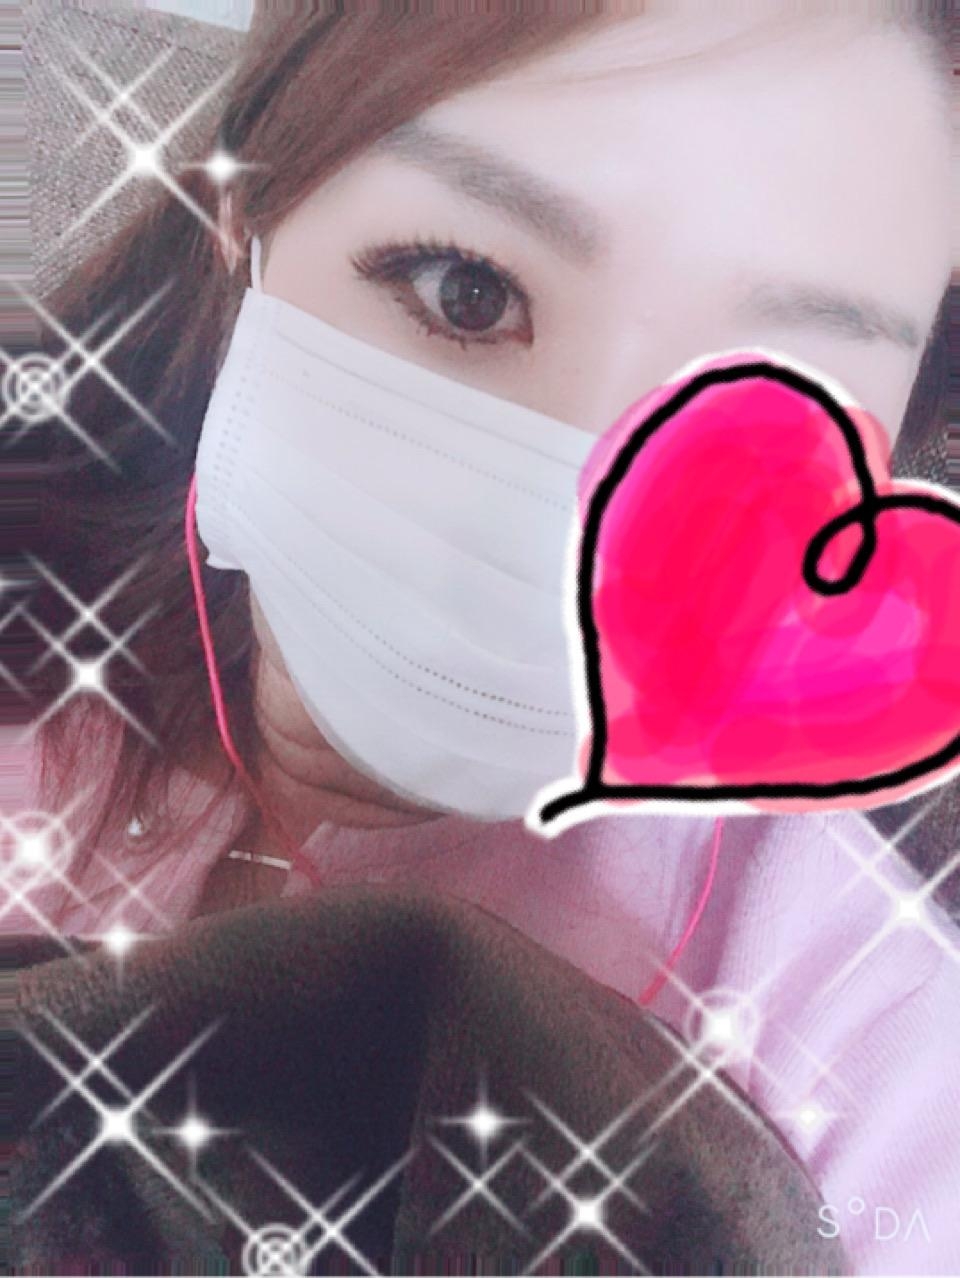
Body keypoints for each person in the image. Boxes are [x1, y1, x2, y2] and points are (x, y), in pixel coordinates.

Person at [8, 3, 960, 1274]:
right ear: (248, 219)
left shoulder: (863, 1047)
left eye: (763, 387)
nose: (570, 504)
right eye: (468, 293)